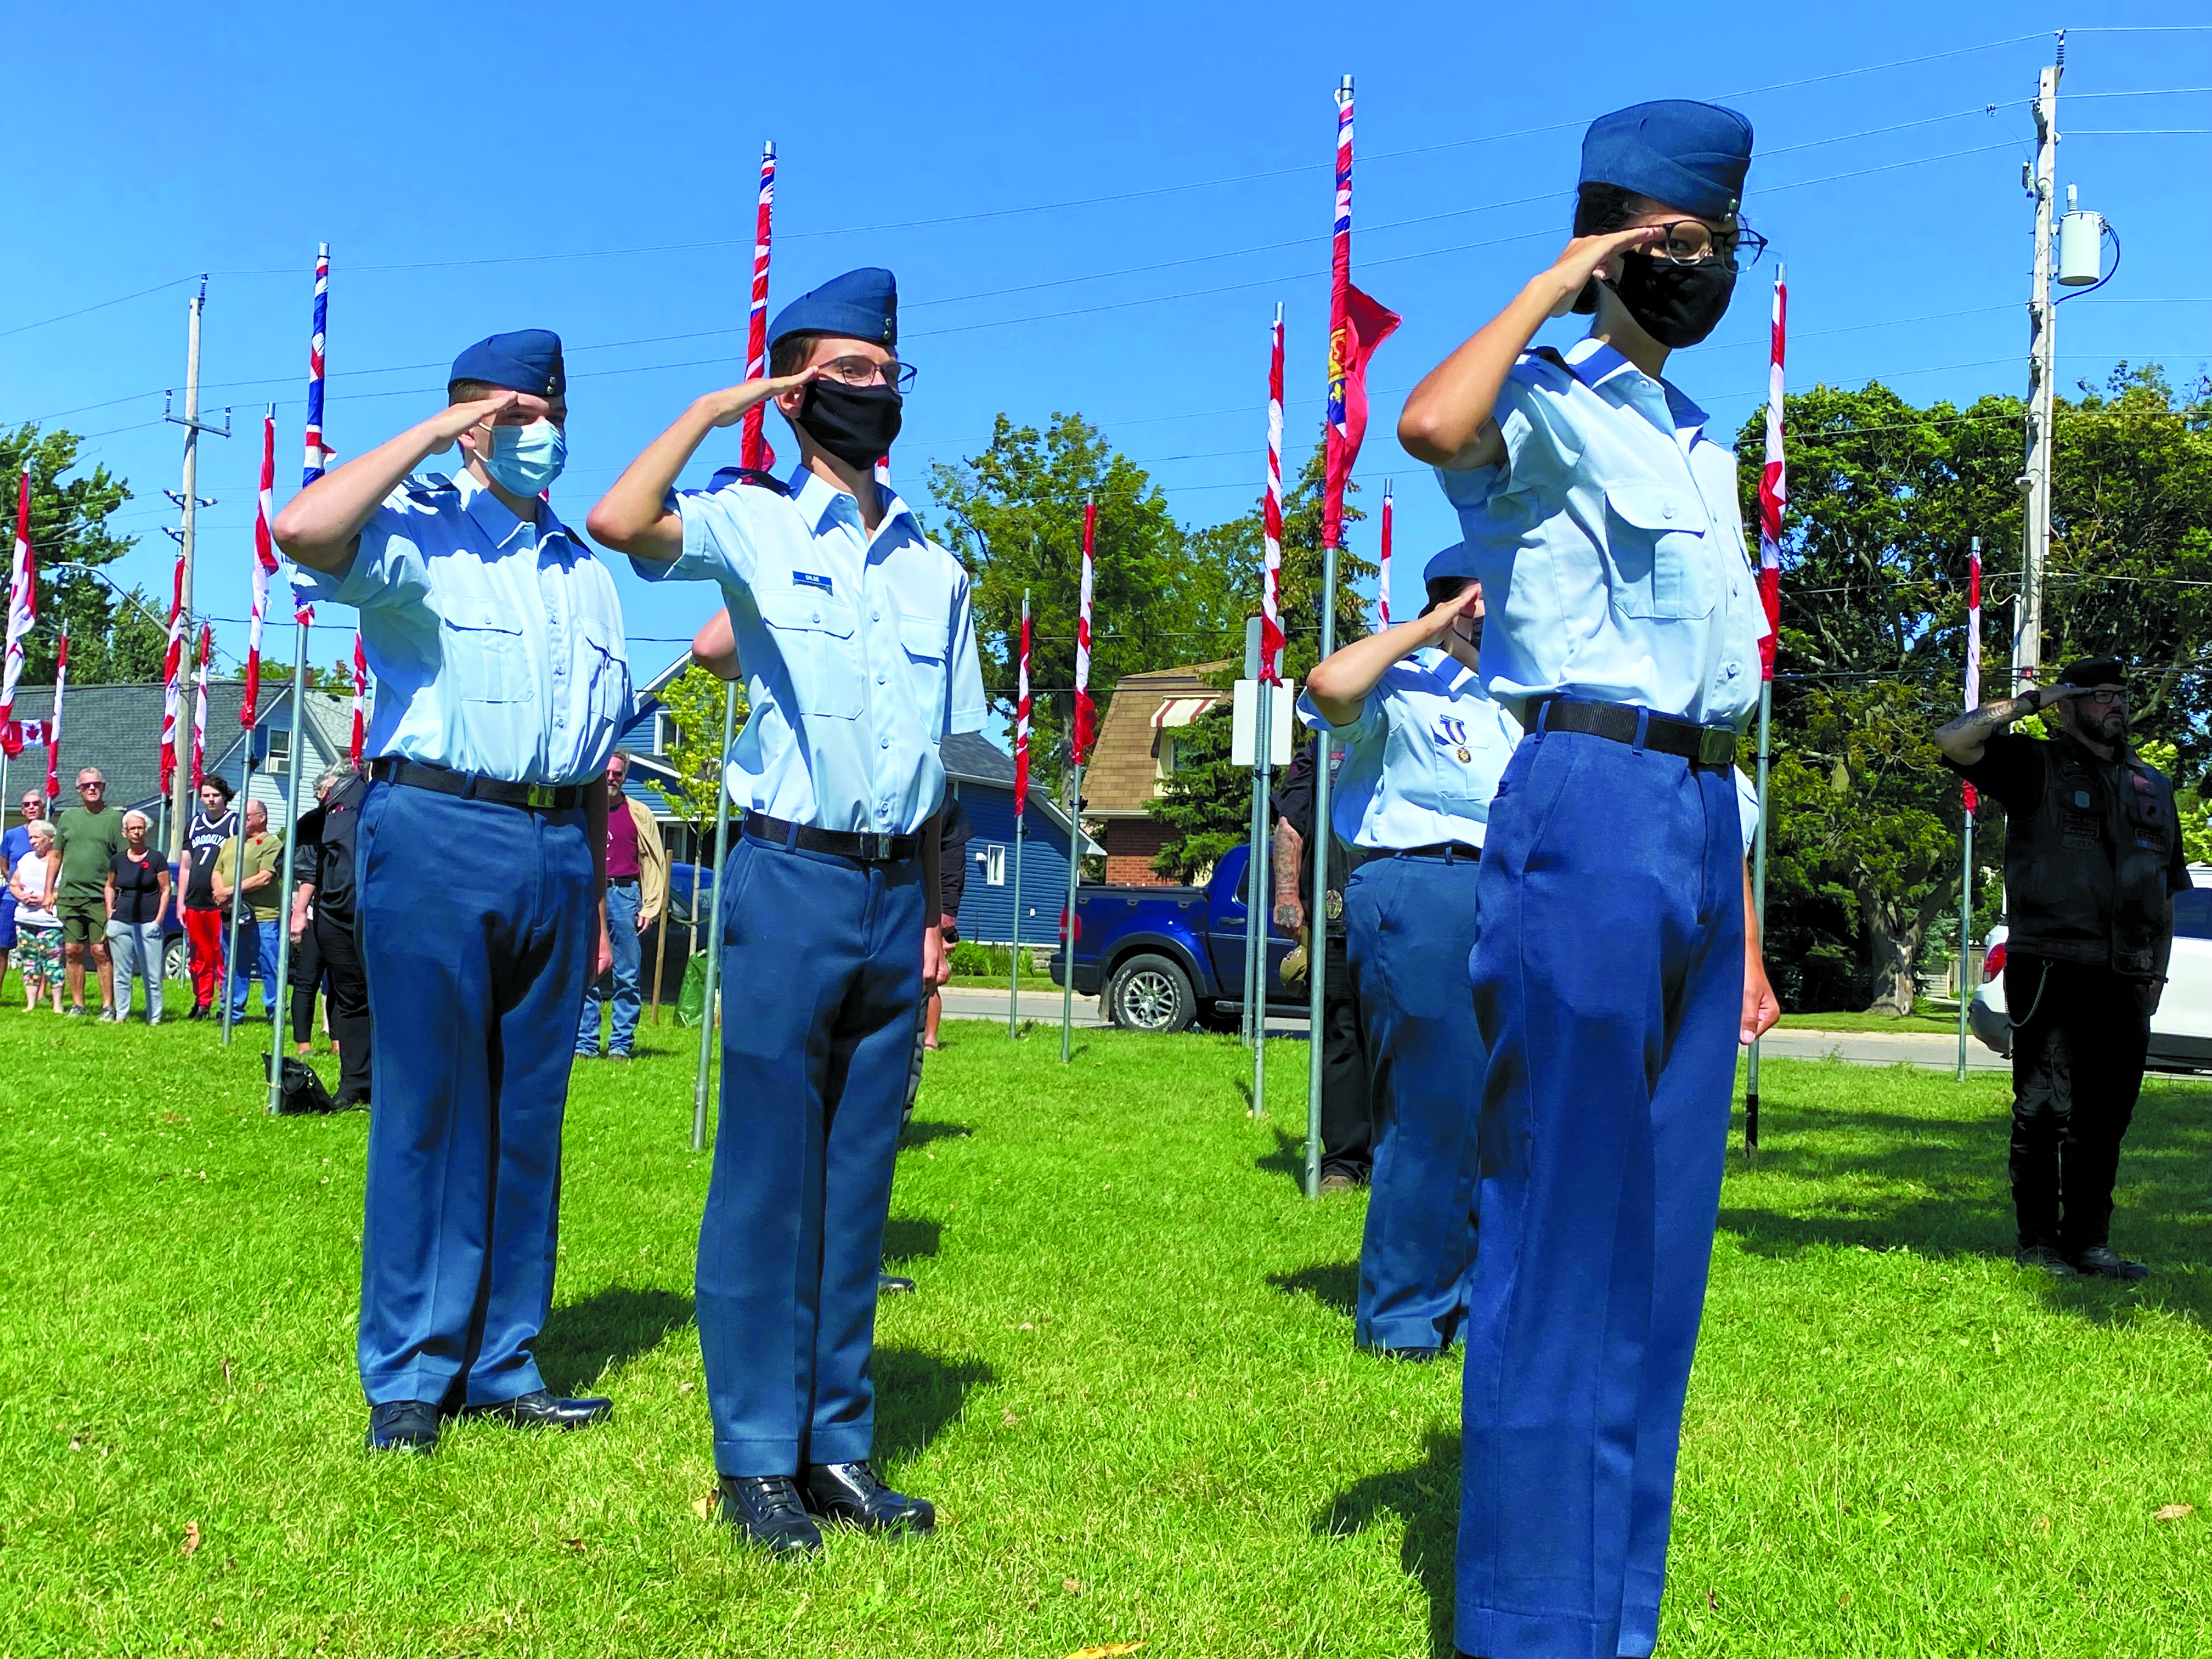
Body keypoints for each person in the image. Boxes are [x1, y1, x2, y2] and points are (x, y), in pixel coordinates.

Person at [1398, 100, 1780, 1659]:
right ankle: (1526, 1623)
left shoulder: (1701, 441)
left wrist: (1744, 917)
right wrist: (1558, 283)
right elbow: (1429, 425)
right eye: (1683, 243)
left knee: (1659, 1249)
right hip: (1584, 804)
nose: (1708, 271)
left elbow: (1723, 697)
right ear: (1623, 236)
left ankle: (1613, 1614)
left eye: (1725, 245)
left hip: (1698, 813)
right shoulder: (1547, 401)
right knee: (1560, 1222)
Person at [588, 266, 984, 1554]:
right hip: (790, 875)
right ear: (799, 387)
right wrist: (712, 410)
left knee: (858, 1184)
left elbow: (943, 770)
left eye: (888, 374)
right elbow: (618, 519)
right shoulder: (753, 522)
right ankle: (758, 1456)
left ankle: (840, 1449)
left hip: (886, 893)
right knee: (768, 1179)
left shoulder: (938, 567)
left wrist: (934, 918)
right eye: (850, 374)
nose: (876, 394)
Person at [273, 327, 631, 1454]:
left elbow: (591, 745)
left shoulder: (585, 569)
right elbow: (301, 528)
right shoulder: (417, 534)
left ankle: (502, 1359)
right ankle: (413, 1374)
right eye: (520, 415)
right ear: (475, 422)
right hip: (435, 829)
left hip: (559, 845)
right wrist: (432, 432)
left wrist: (589, 903)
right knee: (429, 1110)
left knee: (529, 1115)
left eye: (554, 415)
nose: (545, 435)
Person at [1299, 549, 1519, 1360]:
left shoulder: (1517, 696)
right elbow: (1327, 687)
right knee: (1430, 1109)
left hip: (1508, 892)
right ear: (1471, 601)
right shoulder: (1402, 681)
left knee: (1489, 1109)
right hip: (1422, 885)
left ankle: (1465, 1296)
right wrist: (1428, 628)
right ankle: (1404, 1317)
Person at [1936, 656, 2188, 1282]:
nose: (2115, 706)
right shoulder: (2033, 766)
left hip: (2125, 972)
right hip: (2051, 963)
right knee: (2046, 1110)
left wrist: (2157, 971)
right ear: (2070, 706)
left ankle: (2090, 1245)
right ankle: (2040, 1245)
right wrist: (2034, 700)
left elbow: (2166, 890)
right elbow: (1954, 739)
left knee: (2106, 1119)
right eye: (2099, 695)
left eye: (2120, 695)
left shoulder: (2151, 785)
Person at [1270, 736, 1373, 1193]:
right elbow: (1291, 823)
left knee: (1407, 1035)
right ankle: (1343, 1164)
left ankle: (1398, 1157)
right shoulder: (1325, 744)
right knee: (1341, 1038)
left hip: (1404, 912)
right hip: (1334, 914)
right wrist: (1287, 895)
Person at [575, 749, 668, 1062]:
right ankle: (585, 1043)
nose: (612, 779)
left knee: (627, 975)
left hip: (626, 896)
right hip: (587, 895)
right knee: (586, 971)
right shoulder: (582, 810)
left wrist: (650, 908)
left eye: (618, 774)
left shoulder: (638, 814)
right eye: (607, 773)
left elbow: (655, 862)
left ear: (624, 776)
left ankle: (620, 1045)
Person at [291, 764, 374, 1110]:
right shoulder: (336, 802)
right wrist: (301, 909)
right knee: (350, 998)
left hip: (383, 912)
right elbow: (310, 856)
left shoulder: (389, 793)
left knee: (389, 1001)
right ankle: (355, 1083)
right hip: (335, 913)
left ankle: (390, 1085)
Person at [47, 767, 123, 1017]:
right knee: (72, 951)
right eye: (86, 786)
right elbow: (56, 854)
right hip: (70, 895)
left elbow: (123, 859)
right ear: (78, 789)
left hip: (100, 898)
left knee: (100, 951)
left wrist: (116, 894)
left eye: (97, 785)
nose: (92, 789)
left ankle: (107, 1007)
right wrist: (49, 891)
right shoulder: (68, 818)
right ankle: (78, 1005)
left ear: (104, 787)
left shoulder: (114, 818)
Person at [211, 799, 284, 1023]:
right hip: (232, 915)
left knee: (269, 965)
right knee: (234, 964)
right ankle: (231, 1011)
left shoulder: (272, 843)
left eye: (248, 816)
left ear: (262, 818)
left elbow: (265, 877)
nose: (243, 821)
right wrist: (221, 894)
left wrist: (230, 891)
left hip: (263, 916)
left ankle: (275, 1010)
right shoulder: (231, 843)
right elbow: (217, 870)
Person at [104, 809, 171, 1024]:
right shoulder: (118, 860)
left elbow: (166, 889)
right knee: (122, 975)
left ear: (146, 831)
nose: (136, 832)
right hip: (121, 921)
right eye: (132, 829)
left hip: (148, 923)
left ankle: (154, 1018)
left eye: (140, 828)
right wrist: (109, 910)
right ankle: (121, 1015)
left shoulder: (156, 859)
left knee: (152, 976)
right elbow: (110, 885)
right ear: (125, 833)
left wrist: (159, 919)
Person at [180, 776, 239, 1019]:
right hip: (195, 900)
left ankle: (226, 1005)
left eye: (215, 794)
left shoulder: (234, 823)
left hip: (221, 901)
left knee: (223, 955)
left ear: (224, 795)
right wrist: (181, 902)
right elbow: (185, 865)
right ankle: (202, 1002)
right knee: (199, 957)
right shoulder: (194, 824)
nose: (211, 799)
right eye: (206, 795)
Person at [920, 794, 973, 1051]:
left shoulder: (942, 801)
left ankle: (930, 1039)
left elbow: (953, 864)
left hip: (933, 907)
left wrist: (947, 918)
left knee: (931, 977)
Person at [9, 819, 63, 1013]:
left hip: (51, 921)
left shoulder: (61, 862)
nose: (32, 841)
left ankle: (57, 1005)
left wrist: (47, 897)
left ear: (50, 838)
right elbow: (14, 884)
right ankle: (31, 1004)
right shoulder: (26, 860)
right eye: (30, 837)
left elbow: (64, 890)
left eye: (36, 837)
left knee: (53, 962)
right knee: (30, 961)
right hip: (25, 919)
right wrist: (21, 895)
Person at [0, 787, 46, 994]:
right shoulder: (12, 835)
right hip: (13, 898)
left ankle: (41, 995)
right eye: (27, 804)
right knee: (3, 946)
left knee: (44, 948)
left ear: (43, 808)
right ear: (22, 810)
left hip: (44, 900)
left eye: (36, 804)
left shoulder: (52, 834)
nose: (31, 807)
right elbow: (5, 864)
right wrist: (17, 887)